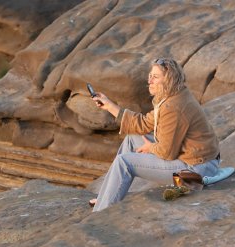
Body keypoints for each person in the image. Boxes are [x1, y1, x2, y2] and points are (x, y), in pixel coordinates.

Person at [90, 58, 220, 212]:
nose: (149, 80)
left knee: (124, 162)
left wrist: (151, 147)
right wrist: (109, 105)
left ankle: (103, 210)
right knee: (131, 139)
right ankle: (107, 195)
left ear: (169, 80)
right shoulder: (172, 96)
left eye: (155, 77)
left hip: (195, 172)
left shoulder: (173, 107)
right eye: (150, 75)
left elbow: (166, 152)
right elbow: (143, 123)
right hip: (193, 159)